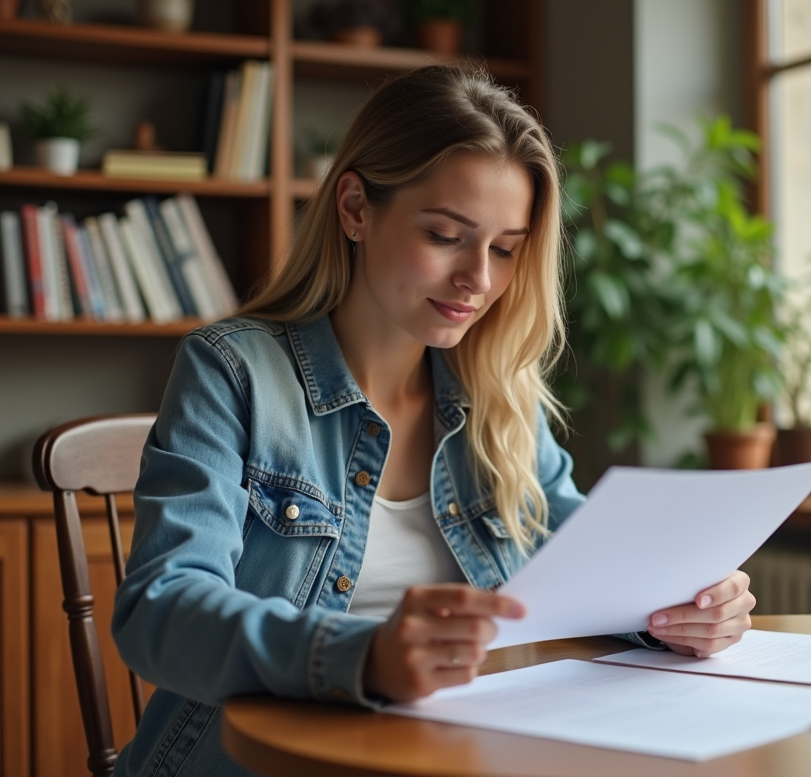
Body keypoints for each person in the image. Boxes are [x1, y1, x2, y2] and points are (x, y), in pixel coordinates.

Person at [111, 66, 755, 776]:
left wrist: (679, 604)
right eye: (448, 235)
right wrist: (361, 655)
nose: (478, 278)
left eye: (506, 249)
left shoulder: (496, 394)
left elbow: (587, 558)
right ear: (355, 207)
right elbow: (162, 609)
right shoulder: (234, 372)